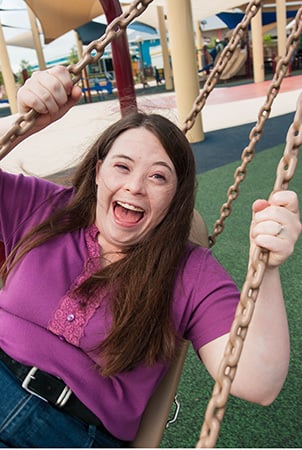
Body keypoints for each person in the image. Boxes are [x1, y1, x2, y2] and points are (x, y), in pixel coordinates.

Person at [0, 65, 300, 448]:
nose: (135, 186)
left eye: (158, 177)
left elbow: (258, 382)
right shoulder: (43, 207)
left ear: (175, 196)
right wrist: (23, 125)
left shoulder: (190, 271)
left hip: (73, 434)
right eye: (122, 166)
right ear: (97, 172)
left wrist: (269, 269)